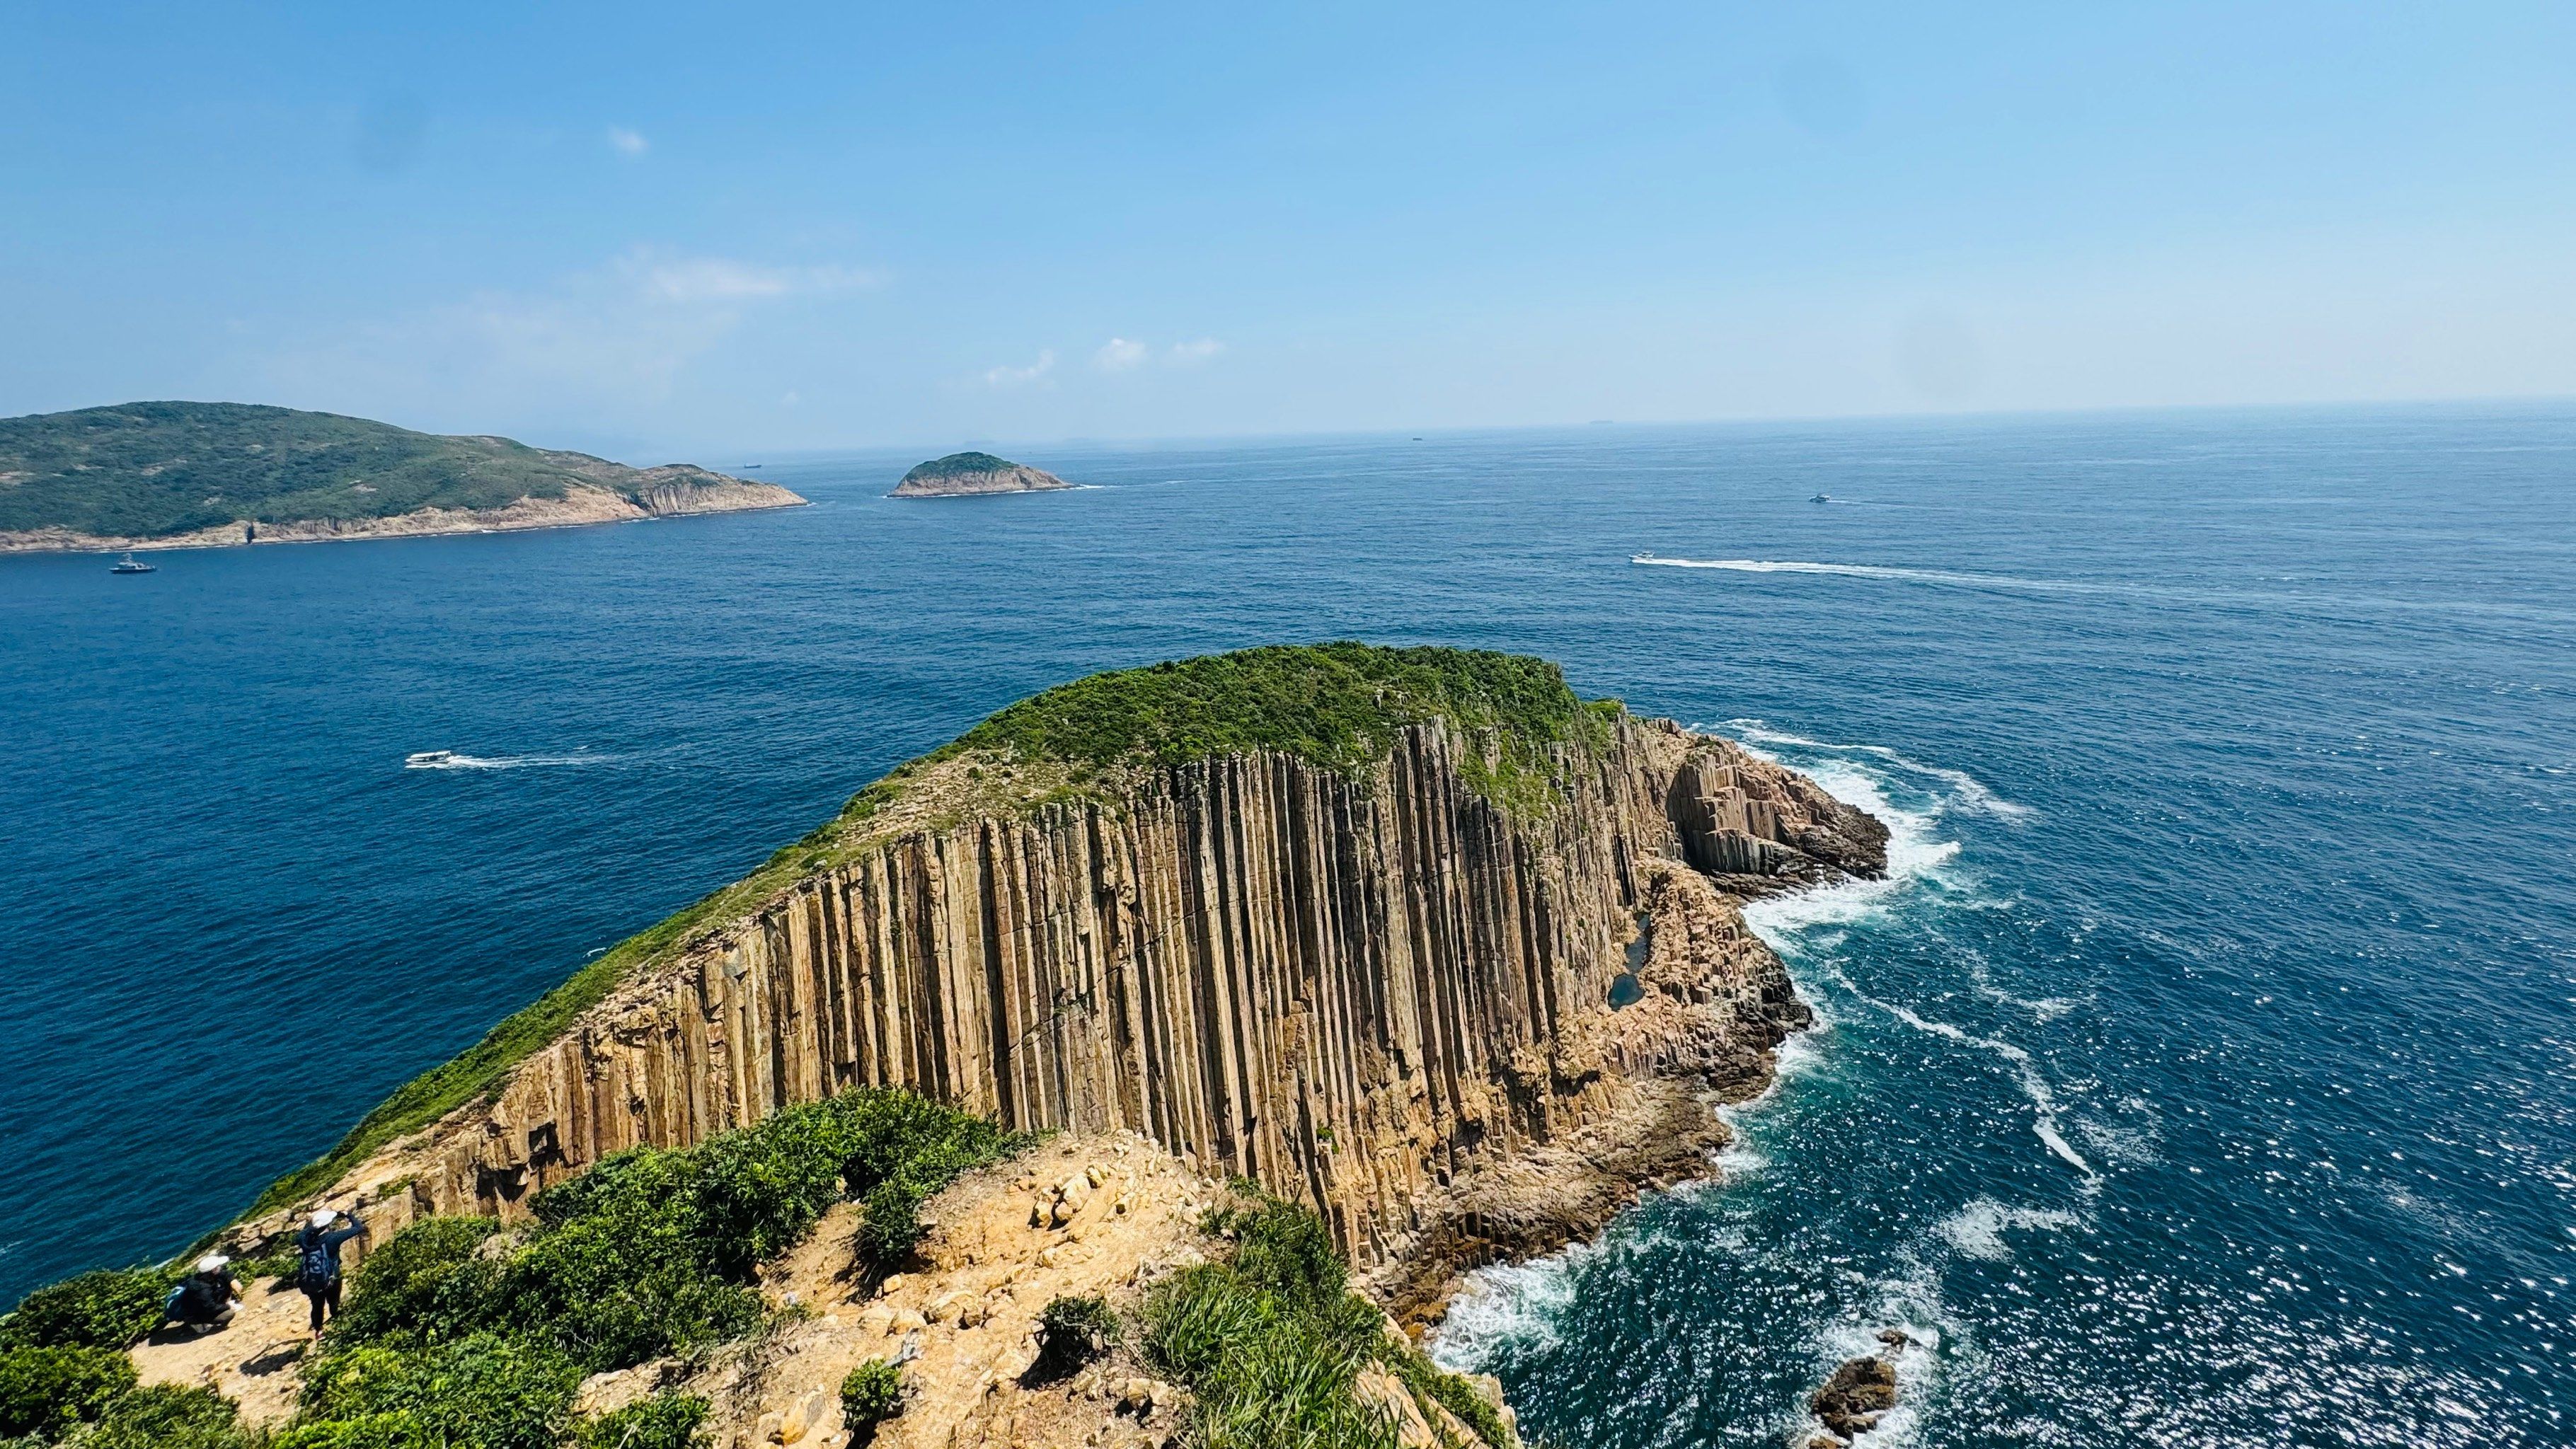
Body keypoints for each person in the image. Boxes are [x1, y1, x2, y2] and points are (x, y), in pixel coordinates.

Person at [294, 1206, 366, 1332]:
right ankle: (336, 1319)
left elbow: (298, 1237)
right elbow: (359, 1228)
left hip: (312, 1280)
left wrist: (313, 1226)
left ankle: (319, 1331)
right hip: (333, 1277)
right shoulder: (333, 1238)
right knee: (334, 1301)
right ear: (329, 1223)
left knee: (317, 1306)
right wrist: (348, 1215)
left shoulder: (305, 1240)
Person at [155, 1254, 243, 1334]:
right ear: (213, 1270)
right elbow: (211, 1308)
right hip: (197, 1312)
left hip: (203, 1305)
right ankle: (195, 1323)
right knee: (228, 1314)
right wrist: (227, 1306)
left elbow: (226, 1273)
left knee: (226, 1283)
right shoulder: (202, 1289)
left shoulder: (205, 1276)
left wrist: (232, 1280)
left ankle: (200, 1320)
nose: (220, 1267)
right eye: (218, 1267)